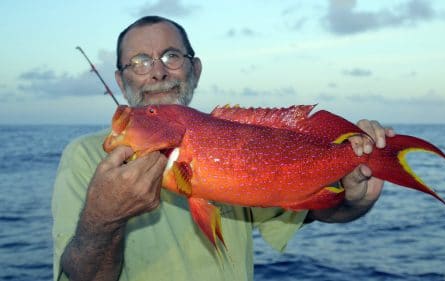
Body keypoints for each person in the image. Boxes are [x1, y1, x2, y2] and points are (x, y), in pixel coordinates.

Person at [52, 16, 395, 281]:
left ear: (195, 70)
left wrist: (357, 198)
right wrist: (102, 219)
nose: (157, 72)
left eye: (171, 56)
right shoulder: (85, 157)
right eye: (139, 62)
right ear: (119, 80)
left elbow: (318, 210)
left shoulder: (238, 135)